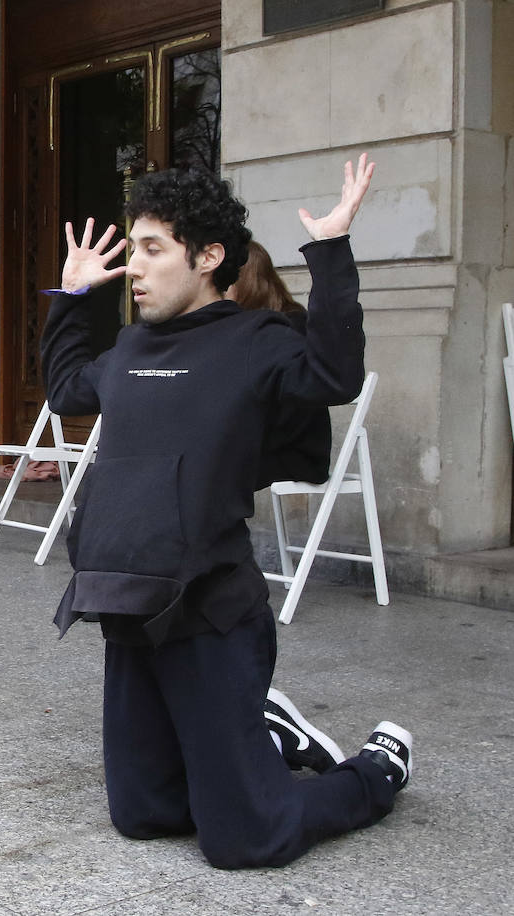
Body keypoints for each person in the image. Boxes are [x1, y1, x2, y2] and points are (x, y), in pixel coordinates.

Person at [41, 155, 413, 869]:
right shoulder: (128, 347)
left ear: (208, 256)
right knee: (144, 815)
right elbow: (64, 390)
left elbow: (335, 376)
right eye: (134, 247)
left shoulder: (255, 341)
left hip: (209, 611)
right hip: (126, 603)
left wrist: (330, 252)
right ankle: (259, 741)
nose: (136, 268)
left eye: (154, 249)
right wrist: (71, 294)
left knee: (245, 839)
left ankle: (373, 772)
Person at [230, 240, 332, 488]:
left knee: (207, 468)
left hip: (293, 453)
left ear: (245, 282)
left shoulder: (290, 328)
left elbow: (292, 412)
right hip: (262, 444)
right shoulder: (243, 328)